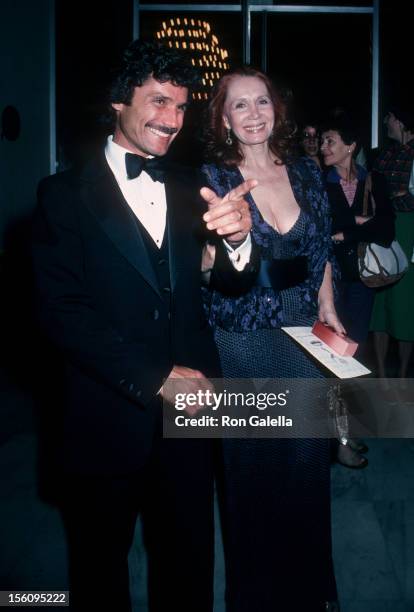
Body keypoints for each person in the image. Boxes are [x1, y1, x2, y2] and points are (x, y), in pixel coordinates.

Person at [31, 40, 257, 612]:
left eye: (181, 107)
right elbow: (60, 310)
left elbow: (225, 284)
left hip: (193, 414)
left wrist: (237, 242)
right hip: (106, 413)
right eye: (159, 101)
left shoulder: (187, 186)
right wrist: (155, 377)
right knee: (99, 570)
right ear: (117, 101)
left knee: (187, 562)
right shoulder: (61, 196)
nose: (172, 120)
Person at [202, 66, 343, 612]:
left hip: (304, 336)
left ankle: (310, 594)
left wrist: (329, 308)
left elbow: (320, 252)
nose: (254, 113)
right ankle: (255, 597)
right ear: (223, 118)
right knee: (253, 478)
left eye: (262, 101)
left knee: (306, 470)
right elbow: (202, 265)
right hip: (241, 340)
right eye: (240, 105)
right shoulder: (211, 175)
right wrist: (220, 239)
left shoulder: (307, 171)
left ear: (276, 110)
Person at [320, 116, 395, 466]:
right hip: (330, 285)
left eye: (330, 140)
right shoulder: (321, 183)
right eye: (322, 141)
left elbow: (386, 230)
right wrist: (361, 223)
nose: (324, 147)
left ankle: (343, 434)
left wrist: (347, 232)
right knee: (333, 359)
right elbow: (323, 231)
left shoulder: (373, 180)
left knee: (351, 359)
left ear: (350, 146)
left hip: (363, 283)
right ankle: (340, 441)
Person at [370, 104, 414, 383]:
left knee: (405, 306)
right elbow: (374, 190)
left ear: (400, 120)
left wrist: (398, 193)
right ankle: (383, 376)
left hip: (409, 232)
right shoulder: (385, 154)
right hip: (384, 229)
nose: (386, 121)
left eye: (389, 117)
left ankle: (402, 377)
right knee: (380, 303)